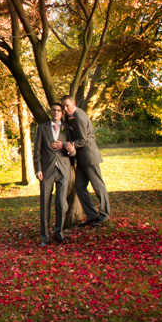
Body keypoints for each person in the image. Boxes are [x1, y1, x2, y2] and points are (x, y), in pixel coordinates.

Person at [55, 94, 110, 226]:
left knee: (98, 187)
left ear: (73, 104)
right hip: (81, 159)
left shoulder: (79, 117)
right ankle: (91, 216)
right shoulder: (72, 117)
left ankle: (105, 214)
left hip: (89, 157)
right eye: (63, 107)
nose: (65, 109)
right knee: (79, 186)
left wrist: (65, 145)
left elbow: (83, 140)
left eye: (67, 106)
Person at [33, 102, 74, 245]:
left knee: (61, 204)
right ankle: (45, 237)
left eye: (59, 110)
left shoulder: (67, 129)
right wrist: (38, 169)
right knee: (45, 204)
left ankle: (59, 233)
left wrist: (69, 150)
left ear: (62, 113)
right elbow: (37, 151)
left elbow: (73, 150)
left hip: (63, 169)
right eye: (54, 110)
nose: (56, 113)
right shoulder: (42, 128)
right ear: (50, 112)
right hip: (46, 171)